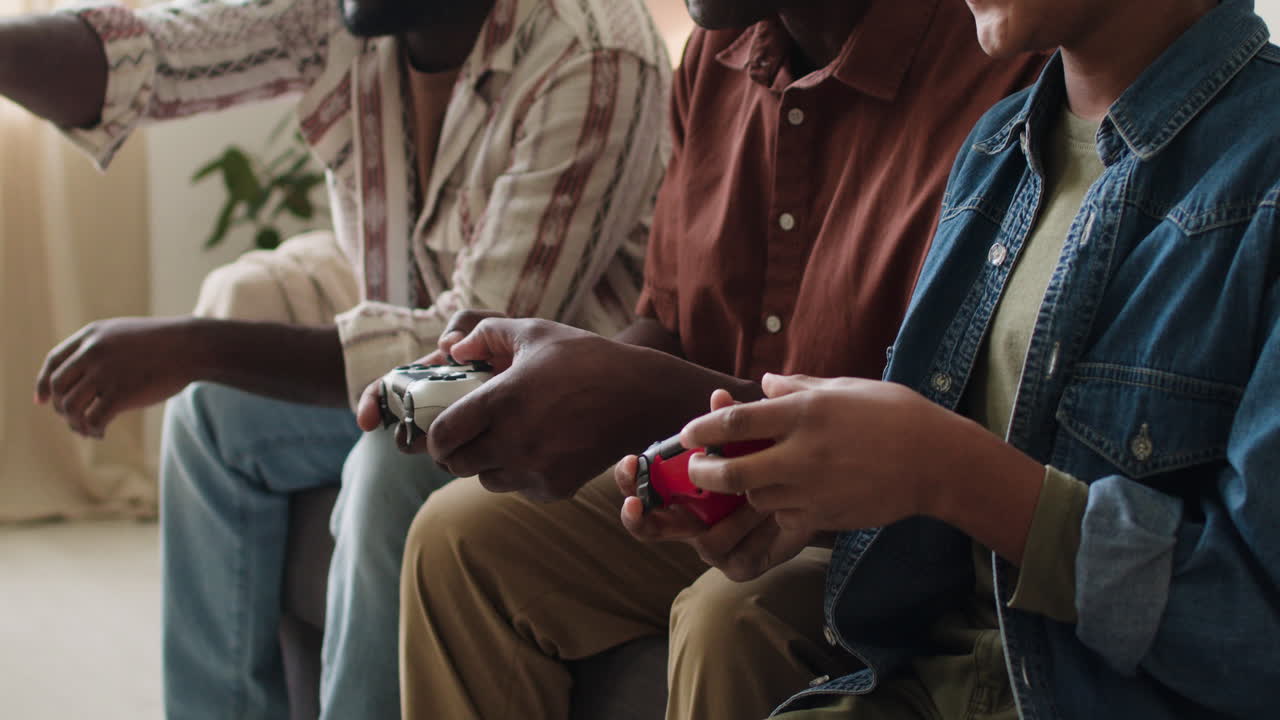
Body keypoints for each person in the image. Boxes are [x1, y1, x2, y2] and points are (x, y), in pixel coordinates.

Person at [367, 1, 1045, 718]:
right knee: (458, 535)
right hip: (713, 484)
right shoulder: (714, 53)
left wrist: (637, 397)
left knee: (733, 614)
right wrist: (559, 379)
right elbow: (670, 322)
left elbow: (958, 441)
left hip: (890, 527)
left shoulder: (1003, 67)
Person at [5, 0, 670, 716]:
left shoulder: (594, 51)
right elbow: (148, 57)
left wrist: (194, 344)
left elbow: (473, 349)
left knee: (392, 453)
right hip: (416, 388)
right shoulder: (351, 13)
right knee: (211, 417)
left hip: (554, 421)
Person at [643, 0, 1280, 717]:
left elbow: (1254, 629)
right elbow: (959, 554)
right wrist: (814, 500)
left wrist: (947, 471)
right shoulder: (997, 149)